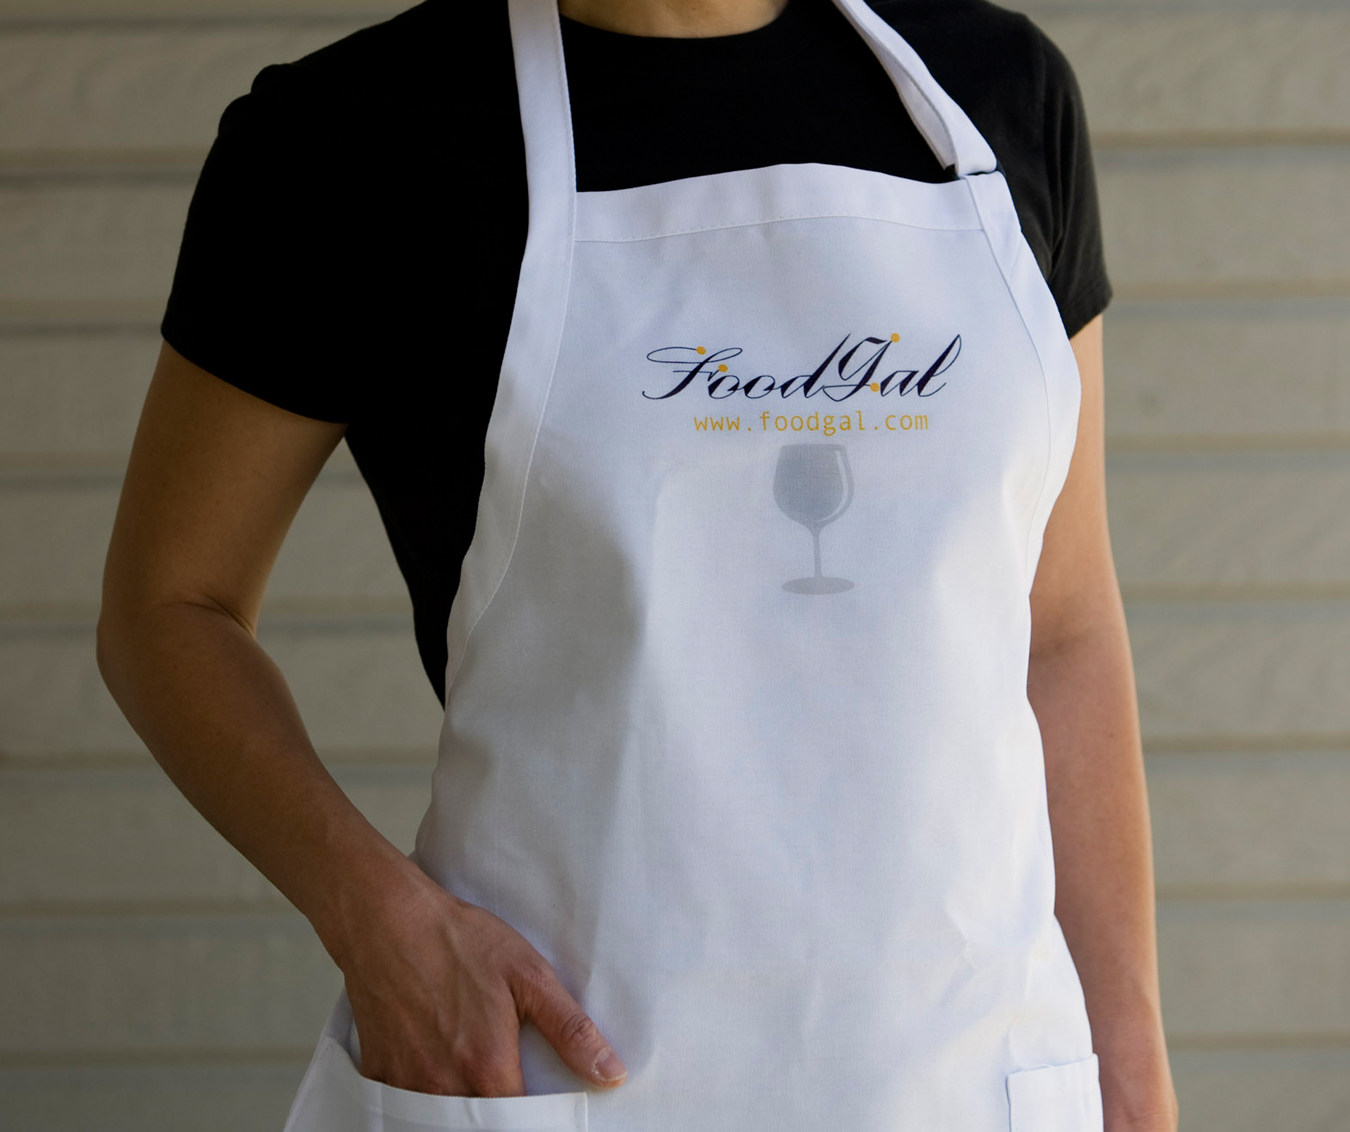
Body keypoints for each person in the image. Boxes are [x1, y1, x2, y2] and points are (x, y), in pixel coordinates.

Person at [97, 0, 1179, 1129]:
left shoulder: (998, 94)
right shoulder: (352, 137)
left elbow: (1062, 629)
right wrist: (376, 919)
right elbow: (168, 606)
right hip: (570, 1066)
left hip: (978, 1074)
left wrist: (1133, 1077)